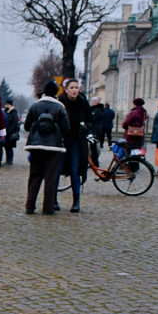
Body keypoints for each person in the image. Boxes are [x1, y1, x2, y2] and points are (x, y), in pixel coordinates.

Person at [24, 80, 69, 215]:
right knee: (51, 177)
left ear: (44, 92)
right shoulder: (60, 107)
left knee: (35, 175)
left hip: (36, 145)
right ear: (56, 93)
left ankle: (30, 205)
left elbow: (27, 126)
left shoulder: (35, 106)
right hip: (53, 146)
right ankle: (48, 207)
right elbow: (66, 128)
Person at [57, 79, 90, 212]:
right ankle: (53, 199)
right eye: (72, 87)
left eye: (77, 87)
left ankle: (76, 202)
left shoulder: (82, 102)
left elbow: (90, 120)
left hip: (76, 141)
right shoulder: (60, 103)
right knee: (57, 170)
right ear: (66, 89)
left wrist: (86, 127)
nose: (75, 90)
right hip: (61, 141)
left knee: (75, 171)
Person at [87, 96, 105, 166]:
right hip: (94, 130)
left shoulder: (97, 110)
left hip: (95, 130)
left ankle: (95, 163)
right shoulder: (95, 109)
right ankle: (93, 162)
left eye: (93, 101)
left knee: (94, 148)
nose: (91, 102)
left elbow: (92, 119)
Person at [3, 99, 21, 166]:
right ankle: (7, 160)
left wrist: (9, 131)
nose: (6, 105)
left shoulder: (13, 112)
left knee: (9, 147)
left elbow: (14, 123)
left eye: (7, 104)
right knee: (6, 147)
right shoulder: (6, 111)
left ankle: (9, 160)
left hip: (10, 133)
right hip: (6, 133)